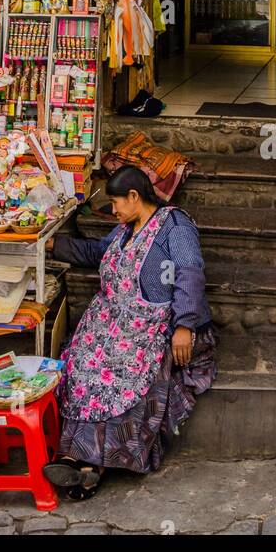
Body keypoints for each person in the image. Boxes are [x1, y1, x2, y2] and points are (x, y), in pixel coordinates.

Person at [45, 165, 216, 498]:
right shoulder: (126, 229)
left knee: (118, 371)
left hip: (158, 325)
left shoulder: (175, 227)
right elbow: (96, 253)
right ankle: (74, 458)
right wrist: (53, 244)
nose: (114, 210)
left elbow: (190, 273)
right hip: (114, 321)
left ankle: (94, 464)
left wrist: (184, 326)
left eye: (117, 203)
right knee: (82, 362)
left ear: (134, 197)